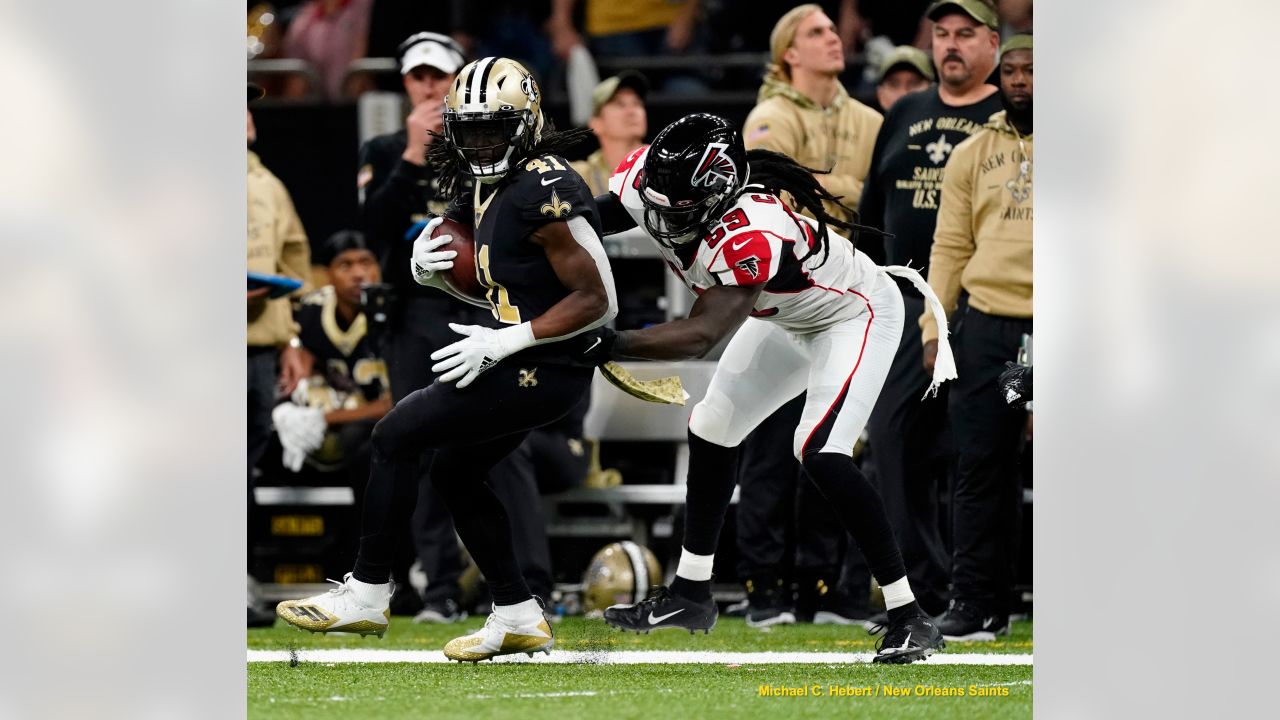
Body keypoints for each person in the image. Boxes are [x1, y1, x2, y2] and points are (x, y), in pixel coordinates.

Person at [278, 57, 618, 664]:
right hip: (529, 355)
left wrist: (510, 340)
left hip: (550, 364)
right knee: (454, 472)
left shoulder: (546, 184)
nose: (483, 140)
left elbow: (598, 299)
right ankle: (517, 614)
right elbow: (495, 278)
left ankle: (367, 591)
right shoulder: (488, 184)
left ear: (529, 123)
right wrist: (432, 276)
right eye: (472, 128)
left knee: (394, 434)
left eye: (496, 127)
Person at [583, 113, 952, 663]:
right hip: (787, 316)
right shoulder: (656, 182)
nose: (657, 216)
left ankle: (909, 615)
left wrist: (606, 344)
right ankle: (690, 593)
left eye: (674, 209)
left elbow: (701, 333)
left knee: (819, 451)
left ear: (716, 195)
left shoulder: (753, 229)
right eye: (654, 199)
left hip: (854, 314)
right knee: (711, 426)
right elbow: (593, 216)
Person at [734, 3, 886, 628]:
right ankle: (764, 586)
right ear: (787, 54)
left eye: (833, 30)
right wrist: (853, 188)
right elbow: (772, 197)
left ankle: (820, 587)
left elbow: (868, 195)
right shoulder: (769, 116)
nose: (833, 39)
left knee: (827, 442)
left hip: (844, 295)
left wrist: (827, 186)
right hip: (781, 296)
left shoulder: (871, 117)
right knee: (769, 446)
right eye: (816, 33)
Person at [856, 0, 1002, 620]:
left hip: (985, 303)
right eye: (941, 34)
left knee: (977, 449)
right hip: (905, 300)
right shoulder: (907, 111)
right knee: (892, 441)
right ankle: (921, 593)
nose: (951, 46)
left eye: (965, 35)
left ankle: (983, 591)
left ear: (994, 43)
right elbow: (870, 208)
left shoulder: (1009, 113)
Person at [356, 30, 476, 623]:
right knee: (418, 443)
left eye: (438, 75)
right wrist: (409, 155)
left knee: (481, 446)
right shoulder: (382, 147)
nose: (428, 85)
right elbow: (373, 229)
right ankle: (439, 589)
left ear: (457, 79)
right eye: (417, 76)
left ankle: (514, 582)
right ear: (405, 83)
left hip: (475, 309)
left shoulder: (480, 143)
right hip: (411, 314)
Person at [922, 34, 1033, 641]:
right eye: (1011, 71)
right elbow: (950, 246)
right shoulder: (971, 152)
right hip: (991, 327)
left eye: (1032, 71)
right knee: (983, 465)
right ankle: (975, 603)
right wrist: (934, 325)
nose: (1019, 80)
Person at [247, 81, 312, 627]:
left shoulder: (268, 185)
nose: (245, 115)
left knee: (242, 469)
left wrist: (291, 337)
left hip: (258, 347)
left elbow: (294, 260)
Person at [275, 231, 391, 487]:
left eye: (365, 263)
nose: (358, 274)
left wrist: (324, 419)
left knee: (360, 439)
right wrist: (285, 407)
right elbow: (296, 373)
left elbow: (400, 400)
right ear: (327, 273)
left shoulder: (394, 313)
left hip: (378, 423)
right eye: (345, 265)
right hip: (335, 412)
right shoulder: (311, 311)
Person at [570, 71, 649, 197]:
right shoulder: (578, 176)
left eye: (637, 103)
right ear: (596, 123)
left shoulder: (664, 166)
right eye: (620, 104)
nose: (632, 111)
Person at [875, 45, 934, 113]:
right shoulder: (869, 123)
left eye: (914, 84)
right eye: (894, 85)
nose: (903, 94)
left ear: (932, 89)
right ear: (880, 94)